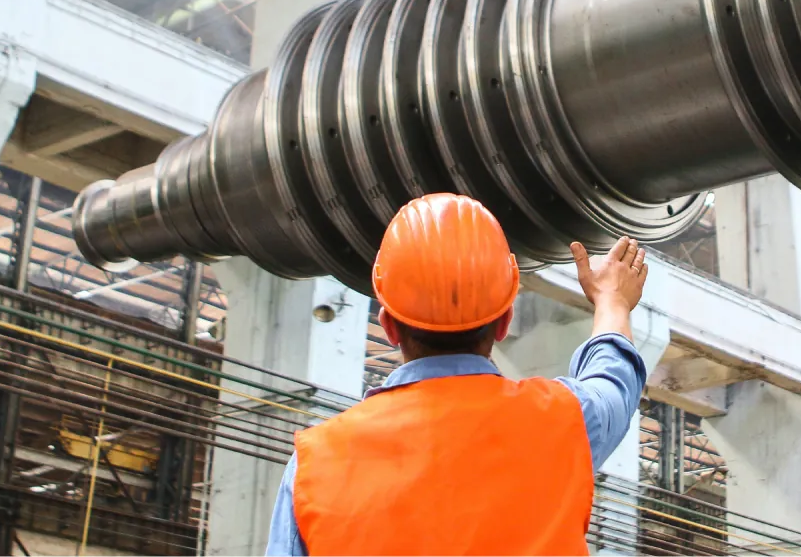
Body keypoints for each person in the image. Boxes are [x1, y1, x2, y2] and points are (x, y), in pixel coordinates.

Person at [264, 192, 651, 555]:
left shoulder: (313, 466)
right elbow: (613, 380)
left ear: (388, 325)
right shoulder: (565, 421)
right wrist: (612, 303)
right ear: (504, 322)